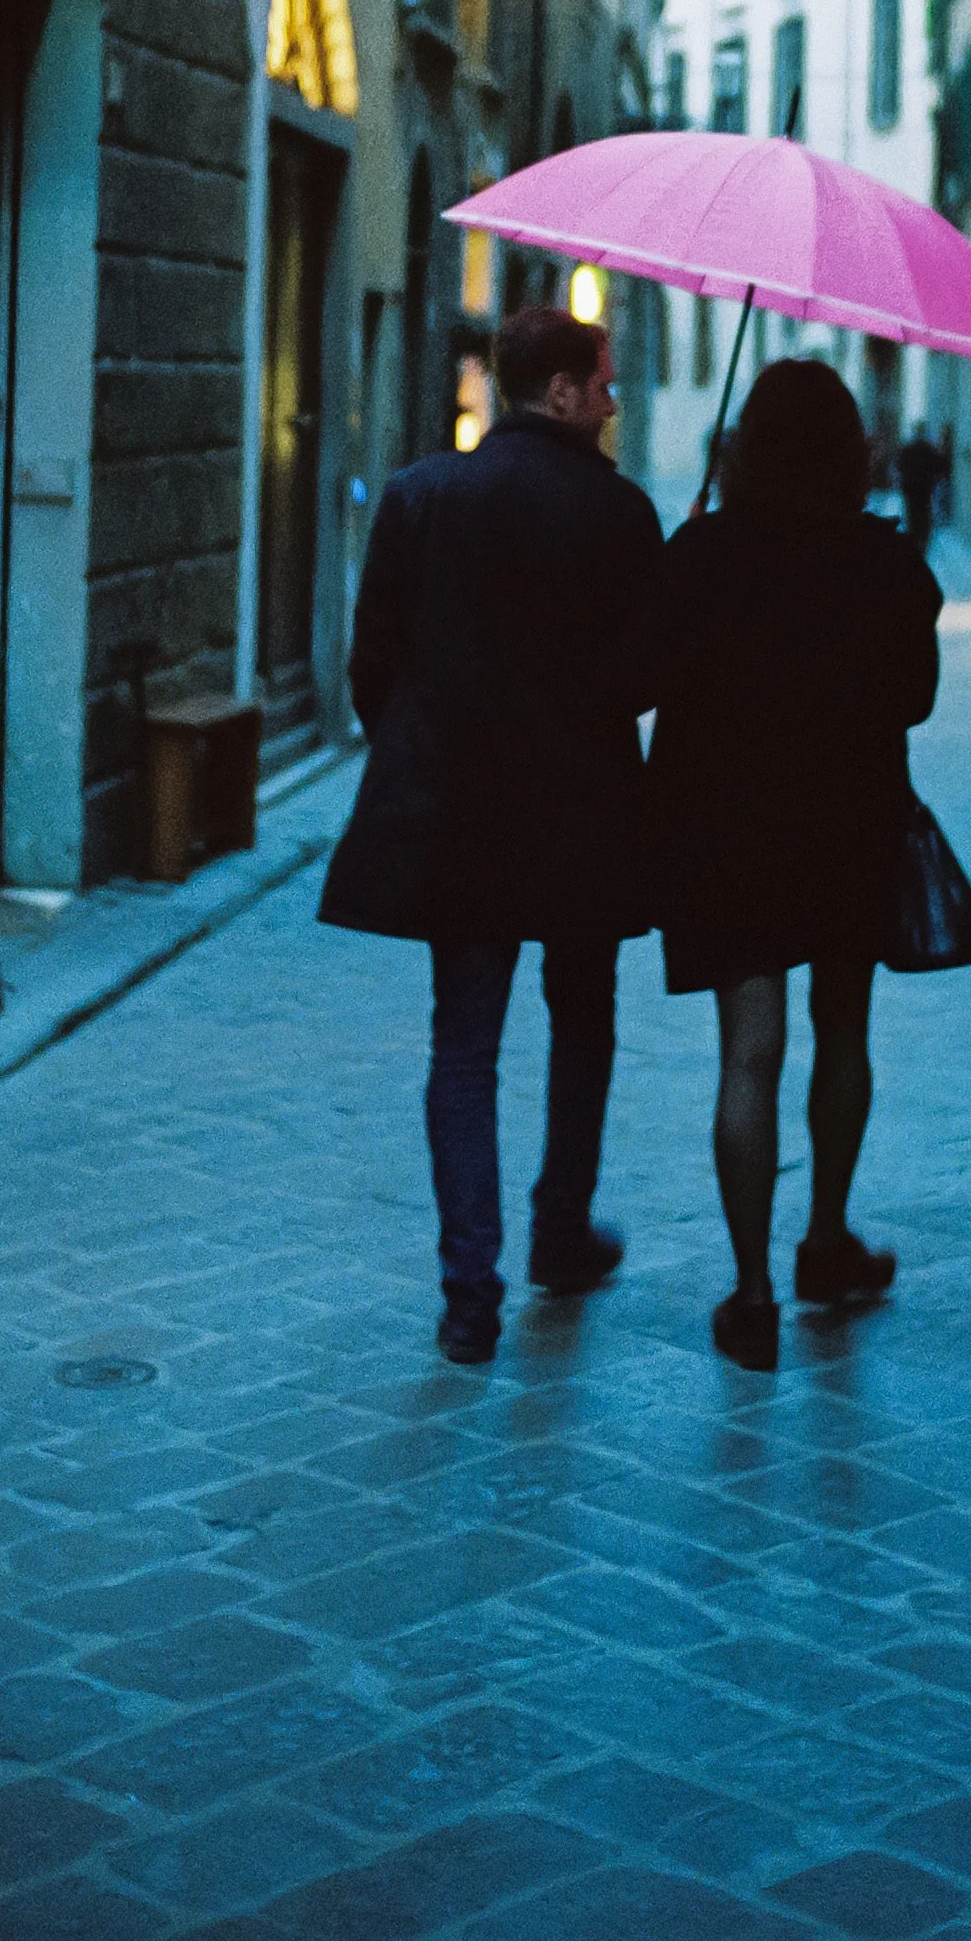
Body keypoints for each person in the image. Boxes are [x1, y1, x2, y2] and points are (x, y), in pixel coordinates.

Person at [319, 304, 664, 1364]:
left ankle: (470, 1291)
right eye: (601, 383)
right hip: (579, 820)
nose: (611, 399)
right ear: (556, 390)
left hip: (457, 816)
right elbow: (643, 680)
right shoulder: (620, 515)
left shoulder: (422, 497)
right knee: (582, 1021)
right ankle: (561, 1231)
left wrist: (424, 751)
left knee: (461, 1048)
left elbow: (370, 662)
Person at [628, 357, 943, 1369]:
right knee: (841, 1027)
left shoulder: (705, 552)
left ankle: (751, 1293)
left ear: (746, 447)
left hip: (727, 832)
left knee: (747, 1052)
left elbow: (639, 679)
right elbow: (913, 699)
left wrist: (685, 557)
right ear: (853, 455)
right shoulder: (886, 562)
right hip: (847, 824)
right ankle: (824, 1240)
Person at [893, 425, 951, 549]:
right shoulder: (928, 450)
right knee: (923, 517)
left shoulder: (909, 449)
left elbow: (900, 466)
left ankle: (914, 542)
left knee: (912, 516)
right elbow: (940, 467)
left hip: (911, 490)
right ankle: (921, 543)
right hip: (924, 490)